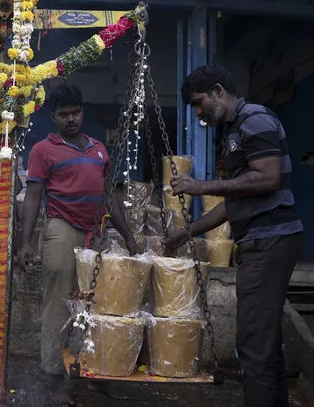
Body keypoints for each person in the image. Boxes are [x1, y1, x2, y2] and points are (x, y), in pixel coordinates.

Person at [163, 63, 303, 407]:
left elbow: (267, 178)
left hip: (269, 240)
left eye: (199, 103)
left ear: (219, 92)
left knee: (253, 343)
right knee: (264, 345)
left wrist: (201, 186)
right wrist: (190, 231)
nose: (198, 112)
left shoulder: (253, 120)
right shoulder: (233, 130)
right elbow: (237, 198)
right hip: (260, 241)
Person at [18, 83, 139, 406]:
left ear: (82, 112)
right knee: (59, 306)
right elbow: (32, 197)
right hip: (61, 229)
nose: (71, 119)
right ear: (54, 117)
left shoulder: (99, 149)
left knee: (99, 309)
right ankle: (55, 378)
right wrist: (26, 242)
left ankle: (96, 371)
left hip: (97, 233)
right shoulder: (43, 150)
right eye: (63, 115)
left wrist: (128, 236)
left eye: (75, 113)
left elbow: (111, 196)